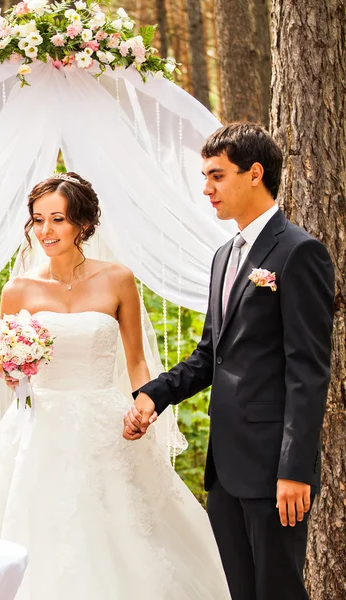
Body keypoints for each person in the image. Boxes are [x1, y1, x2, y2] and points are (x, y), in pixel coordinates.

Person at [0, 173, 231, 600]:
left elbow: (135, 360)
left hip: (105, 426)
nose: (46, 231)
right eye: (38, 220)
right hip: (36, 430)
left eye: (57, 219)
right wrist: (9, 364)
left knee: (126, 532)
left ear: (83, 223)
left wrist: (144, 408)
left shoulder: (118, 279)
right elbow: (6, 371)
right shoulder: (18, 289)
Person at [124, 123, 335, 600]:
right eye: (205, 176)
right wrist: (154, 394)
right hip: (225, 468)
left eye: (216, 176)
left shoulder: (300, 252)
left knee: (277, 590)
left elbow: (308, 371)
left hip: (274, 472)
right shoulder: (224, 256)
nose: (206, 189)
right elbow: (210, 355)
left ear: (255, 173)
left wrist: (294, 470)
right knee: (238, 591)